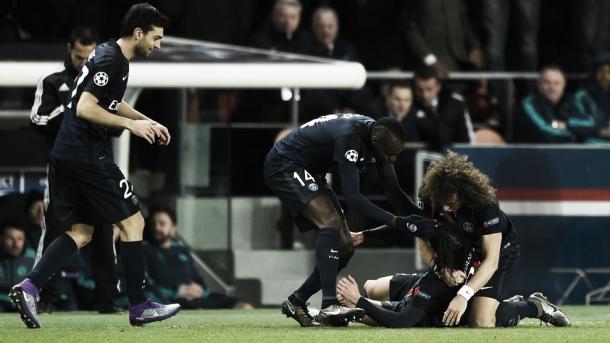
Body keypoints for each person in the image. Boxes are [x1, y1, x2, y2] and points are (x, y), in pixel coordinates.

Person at [9, 3, 180, 329]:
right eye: (156, 38)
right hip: (87, 155)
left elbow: (108, 101)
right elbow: (86, 107)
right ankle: (140, 304)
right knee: (134, 222)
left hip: (67, 154)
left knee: (81, 233)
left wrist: (146, 119)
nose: (158, 45)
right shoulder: (110, 59)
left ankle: (30, 286)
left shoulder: (110, 54)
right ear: (138, 32)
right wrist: (131, 127)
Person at [263, 113, 434, 326]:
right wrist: (397, 222)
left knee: (345, 246)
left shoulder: (378, 139)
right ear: (375, 144)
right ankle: (329, 305)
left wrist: (424, 219)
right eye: (390, 154)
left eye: (396, 154)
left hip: (310, 171)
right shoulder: (349, 138)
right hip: (284, 164)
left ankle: (296, 301)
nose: (393, 159)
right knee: (330, 223)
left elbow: (393, 192)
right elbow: (353, 198)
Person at [30, 26, 121, 314]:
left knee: (104, 236)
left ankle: (107, 300)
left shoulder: (102, 83)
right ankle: (42, 297)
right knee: (56, 232)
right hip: (64, 171)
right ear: (69, 49)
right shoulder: (53, 82)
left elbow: (114, 127)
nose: (84, 62)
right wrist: (71, 108)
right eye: (79, 56)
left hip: (96, 168)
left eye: (89, 56)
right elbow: (37, 120)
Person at [342, 224, 570, 328]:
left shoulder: (436, 283)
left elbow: (401, 320)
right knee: (371, 286)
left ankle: (533, 306)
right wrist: (365, 235)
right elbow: (404, 224)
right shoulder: (456, 247)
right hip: (431, 287)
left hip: (436, 303)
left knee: (483, 321)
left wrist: (358, 305)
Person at [143, 207, 253, 310]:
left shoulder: (182, 251)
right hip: (168, 300)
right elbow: (146, 284)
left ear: (173, 228)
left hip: (196, 298)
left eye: (162, 224)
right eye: (154, 224)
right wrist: (178, 292)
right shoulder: (144, 250)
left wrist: (201, 290)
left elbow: (198, 279)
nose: (156, 228)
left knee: (241, 304)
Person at [515, 65, 603, 143]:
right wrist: (575, 136)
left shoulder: (570, 101)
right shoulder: (529, 103)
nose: (552, 87)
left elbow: (593, 123)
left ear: (564, 85)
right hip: (530, 155)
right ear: (538, 85)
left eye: (557, 83)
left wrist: (566, 125)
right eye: (547, 83)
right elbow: (546, 134)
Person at [404, 67, 474, 150]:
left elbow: (467, 140)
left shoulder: (456, 104)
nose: (424, 95)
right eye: (420, 90)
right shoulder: (406, 103)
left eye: (429, 89)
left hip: (450, 158)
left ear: (438, 87)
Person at [0, 220, 35, 312]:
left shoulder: (32, 258)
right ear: (1, 239)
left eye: (20, 239)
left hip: (25, 303)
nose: (16, 244)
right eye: (10, 239)